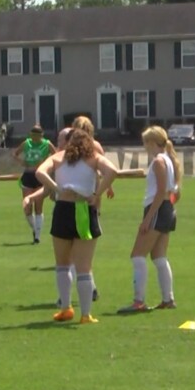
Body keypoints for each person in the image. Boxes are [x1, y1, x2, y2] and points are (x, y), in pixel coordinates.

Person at [34, 129, 118, 324]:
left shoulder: (58, 157)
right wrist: (97, 194)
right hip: (83, 208)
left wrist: (56, 188)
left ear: (69, 141)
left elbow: (39, 172)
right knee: (84, 267)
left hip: (63, 208)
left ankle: (65, 308)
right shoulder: (93, 157)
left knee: (62, 264)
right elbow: (112, 171)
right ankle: (85, 314)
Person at [118, 126, 183, 313]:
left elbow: (161, 192)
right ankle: (168, 299)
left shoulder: (159, 162)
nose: (145, 146)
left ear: (153, 143)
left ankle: (139, 301)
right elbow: (173, 191)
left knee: (137, 255)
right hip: (165, 209)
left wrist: (148, 218)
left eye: (146, 142)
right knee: (159, 257)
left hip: (156, 210)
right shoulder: (168, 160)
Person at [12, 125, 55, 244]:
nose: (34, 138)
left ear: (42, 135)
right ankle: (35, 229)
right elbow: (15, 154)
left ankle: (37, 236)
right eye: (33, 135)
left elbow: (56, 156)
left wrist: (47, 164)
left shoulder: (47, 144)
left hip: (40, 176)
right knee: (27, 206)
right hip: (28, 175)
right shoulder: (26, 143)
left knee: (38, 207)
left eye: (37, 135)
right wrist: (22, 162)